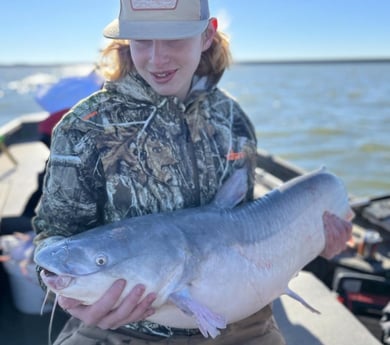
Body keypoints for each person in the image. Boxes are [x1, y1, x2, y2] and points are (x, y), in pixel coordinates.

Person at [33, 1, 352, 344]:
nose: (157, 58)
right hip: (122, 327)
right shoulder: (84, 127)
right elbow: (53, 238)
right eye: (142, 40)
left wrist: (315, 241)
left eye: (174, 38)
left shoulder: (233, 119)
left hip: (241, 325)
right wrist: (69, 298)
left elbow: (239, 225)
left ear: (206, 35)